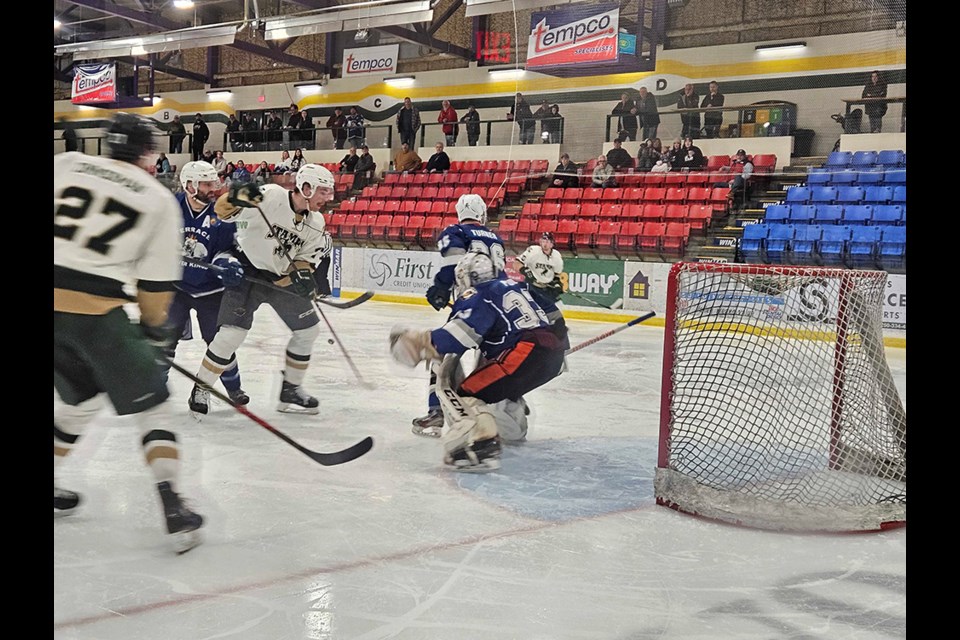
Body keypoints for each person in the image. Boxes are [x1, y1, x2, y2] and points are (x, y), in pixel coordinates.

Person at [54, 112, 204, 553]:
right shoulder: (158, 200)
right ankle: (174, 507)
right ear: (150, 156)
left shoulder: (66, 164)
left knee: (79, 401)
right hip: (94, 315)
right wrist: (155, 337)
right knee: (153, 409)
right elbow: (155, 292)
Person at [390, 251, 568, 472]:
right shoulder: (519, 286)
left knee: (467, 395)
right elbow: (555, 317)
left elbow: (458, 335)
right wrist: (557, 351)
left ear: (465, 278)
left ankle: (481, 449)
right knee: (496, 384)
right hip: (552, 355)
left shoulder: (478, 294)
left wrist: (420, 343)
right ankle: (512, 430)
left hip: (523, 352)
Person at [192, 164, 336, 414]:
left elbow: (303, 259)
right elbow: (223, 210)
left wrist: (301, 275)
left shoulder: (317, 222)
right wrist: (236, 195)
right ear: (306, 188)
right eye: (323, 191)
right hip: (246, 270)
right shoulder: (271, 195)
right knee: (230, 335)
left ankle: (290, 389)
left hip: (278, 276)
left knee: (308, 330)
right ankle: (202, 387)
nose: (329, 197)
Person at [415, 194, 506, 437]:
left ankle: (437, 413)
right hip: (500, 312)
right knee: (490, 366)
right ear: (481, 213)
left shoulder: (456, 232)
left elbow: (452, 265)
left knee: (440, 355)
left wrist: (440, 288)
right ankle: (498, 415)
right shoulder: (495, 237)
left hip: (472, 308)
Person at [167, 160, 250, 414]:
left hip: (210, 292)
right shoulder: (170, 208)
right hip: (176, 288)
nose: (213, 188)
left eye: (214, 183)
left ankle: (233, 386)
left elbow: (227, 249)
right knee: (164, 339)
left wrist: (227, 263)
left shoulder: (222, 214)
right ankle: (154, 385)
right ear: (189, 185)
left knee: (218, 343)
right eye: (206, 184)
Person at [516, 232, 566, 327]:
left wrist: (557, 284)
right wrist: (527, 272)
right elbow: (517, 263)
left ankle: (552, 328)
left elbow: (557, 274)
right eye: (543, 240)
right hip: (532, 287)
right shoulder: (533, 251)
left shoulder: (556, 256)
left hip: (547, 288)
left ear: (552, 244)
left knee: (559, 308)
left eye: (547, 241)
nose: (545, 243)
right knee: (531, 310)